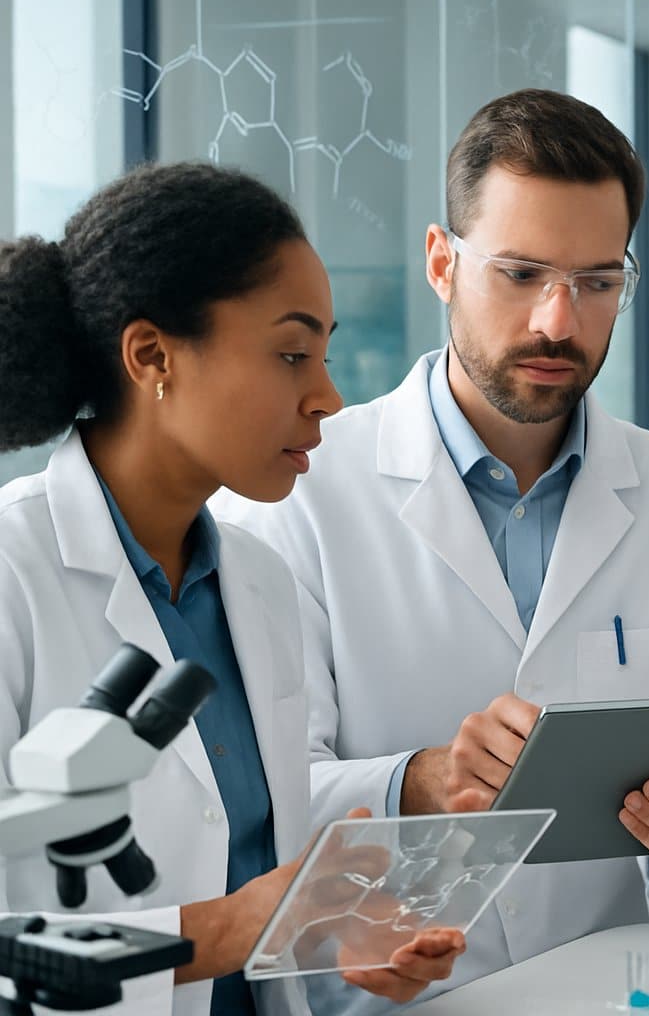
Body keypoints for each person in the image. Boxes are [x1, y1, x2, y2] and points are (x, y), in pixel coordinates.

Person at [217, 89, 649, 1013]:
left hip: (607, 997)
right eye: (520, 273)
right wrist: (416, 781)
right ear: (442, 263)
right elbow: (252, 806)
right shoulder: (296, 491)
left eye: (598, 282)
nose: (558, 321)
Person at [0, 162, 462, 1015]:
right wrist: (243, 925)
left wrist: (335, 931)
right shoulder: (11, 574)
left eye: (323, 356)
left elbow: (242, 865)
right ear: (152, 356)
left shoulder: (258, 581)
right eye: (291, 355)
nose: (327, 398)